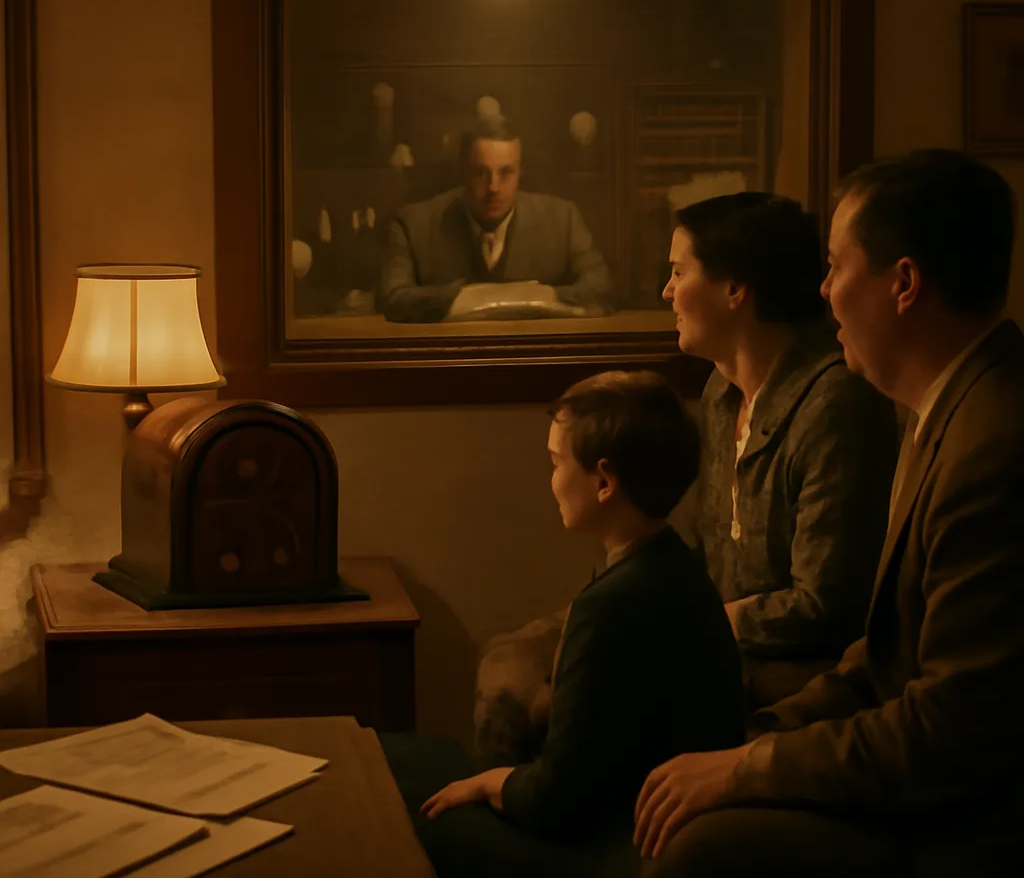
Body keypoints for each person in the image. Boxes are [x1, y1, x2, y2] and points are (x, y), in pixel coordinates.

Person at [634, 149, 1024, 877]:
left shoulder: (993, 445)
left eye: (837, 267)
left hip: (971, 824)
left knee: (699, 850)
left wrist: (752, 769)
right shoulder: (942, 409)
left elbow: (953, 727)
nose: (821, 292)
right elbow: (882, 656)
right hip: (920, 772)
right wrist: (757, 740)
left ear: (904, 284)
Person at [393, 371, 746, 877]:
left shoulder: (616, 603)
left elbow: (559, 802)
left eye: (557, 463)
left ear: (604, 482)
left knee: (409, 816)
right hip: (616, 819)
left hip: (617, 845)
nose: (552, 478)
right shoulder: (673, 566)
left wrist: (492, 783)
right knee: (392, 762)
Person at [664, 192, 897, 707]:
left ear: (734, 289)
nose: (666, 292)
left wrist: (693, 627)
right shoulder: (720, 393)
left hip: (809, 680)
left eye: (679, 273)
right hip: (728, 653)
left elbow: (826, 603)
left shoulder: (834, 402)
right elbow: (710, 558)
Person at [378, 120, 615, 322]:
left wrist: (531, 295)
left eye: (506, 173)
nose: (493, 187)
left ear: (520, 172)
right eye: (481, 173)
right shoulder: (414, 224)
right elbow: (393, 298)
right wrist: (486, 296)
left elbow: (602, 290)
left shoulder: (563, 219)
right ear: (462, 171)